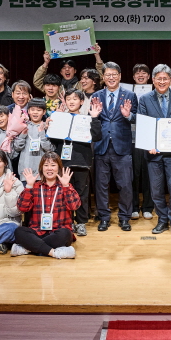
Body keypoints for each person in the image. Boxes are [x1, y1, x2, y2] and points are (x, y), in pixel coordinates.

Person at [137, 64, 171, 237]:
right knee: (156, 189)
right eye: (159, 78)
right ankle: (162, 219)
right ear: (153, 80)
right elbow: (143, 124)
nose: (162, 82)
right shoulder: (145, 99)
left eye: (165, 78)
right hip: (153, 153)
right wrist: (148, 145)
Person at [48, 89, 103, 235]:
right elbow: (53, 140)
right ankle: (67, 222)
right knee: (63, 194)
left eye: (75, 99)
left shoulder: (86, 118)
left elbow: (97, 136)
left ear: (81, 102)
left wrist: (95, 118)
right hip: (63, 163)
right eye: (68, 99)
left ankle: (81, 223)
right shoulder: (60, 118)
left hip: (82, 162)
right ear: (65, 101)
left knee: (81, 194)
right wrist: (51, 124)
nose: (71, 101)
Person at [91, 62, 137, 232]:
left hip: (122, 146)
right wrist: (94, 117)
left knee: (125, 184)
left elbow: (138, 119)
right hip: (102, 146)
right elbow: (94, 121)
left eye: (114, 74)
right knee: (101, 186)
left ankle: (124, 217)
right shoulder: (96, 95)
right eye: (108, 75)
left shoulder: (130, 95)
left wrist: (129, 115)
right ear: (103, 77)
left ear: (119, 76)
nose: (111, 78)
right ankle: (104, 217)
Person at [11, 152, 79, 259]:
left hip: (58, 232)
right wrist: (28, 186)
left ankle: (28, 248)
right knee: (19, 231)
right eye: (46, 165)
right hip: (37, 231)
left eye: (53, 165)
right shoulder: (35, 186)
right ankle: (53, 252)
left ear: (59, 168)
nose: (49, 168)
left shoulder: (65, 186)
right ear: (42, 168)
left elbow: (74, 206)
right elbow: (22, 208)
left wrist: (66, 186)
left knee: (66, 234)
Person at [129, 64, 154, 220]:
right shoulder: (127, 93)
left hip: (150, 138)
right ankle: (133, 207)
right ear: (133, 77)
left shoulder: (155, 92)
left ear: (149, 76)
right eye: (137, 73)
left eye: (144, 73)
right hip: (132, 138)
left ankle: (148, 207)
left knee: (149, 174)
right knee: (134, 174)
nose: (140, 75)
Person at [11, 98, 55, 181]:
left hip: (43, 172)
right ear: (28, 111)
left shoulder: (48, 127)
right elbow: (16, 148)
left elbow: (50, 150)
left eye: (38, 110)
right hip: (25, 171)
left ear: (44, 112)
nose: (35, 112)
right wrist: (22, 136)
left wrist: (42, 134)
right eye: (33, 110)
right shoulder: (22, 126)